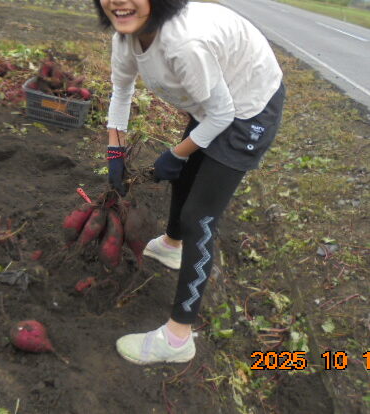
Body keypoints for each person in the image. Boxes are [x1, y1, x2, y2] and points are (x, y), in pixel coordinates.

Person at [94, 0, 285, 364]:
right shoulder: (126, 38)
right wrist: (114, 152)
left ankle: (178, 339)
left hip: (249, 106)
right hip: (216, 97)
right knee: (183, 177)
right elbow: (121, 93)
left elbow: (223, 115)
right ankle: (171, 245)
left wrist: (175, 153)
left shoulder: (183, 45)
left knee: (200, 217)